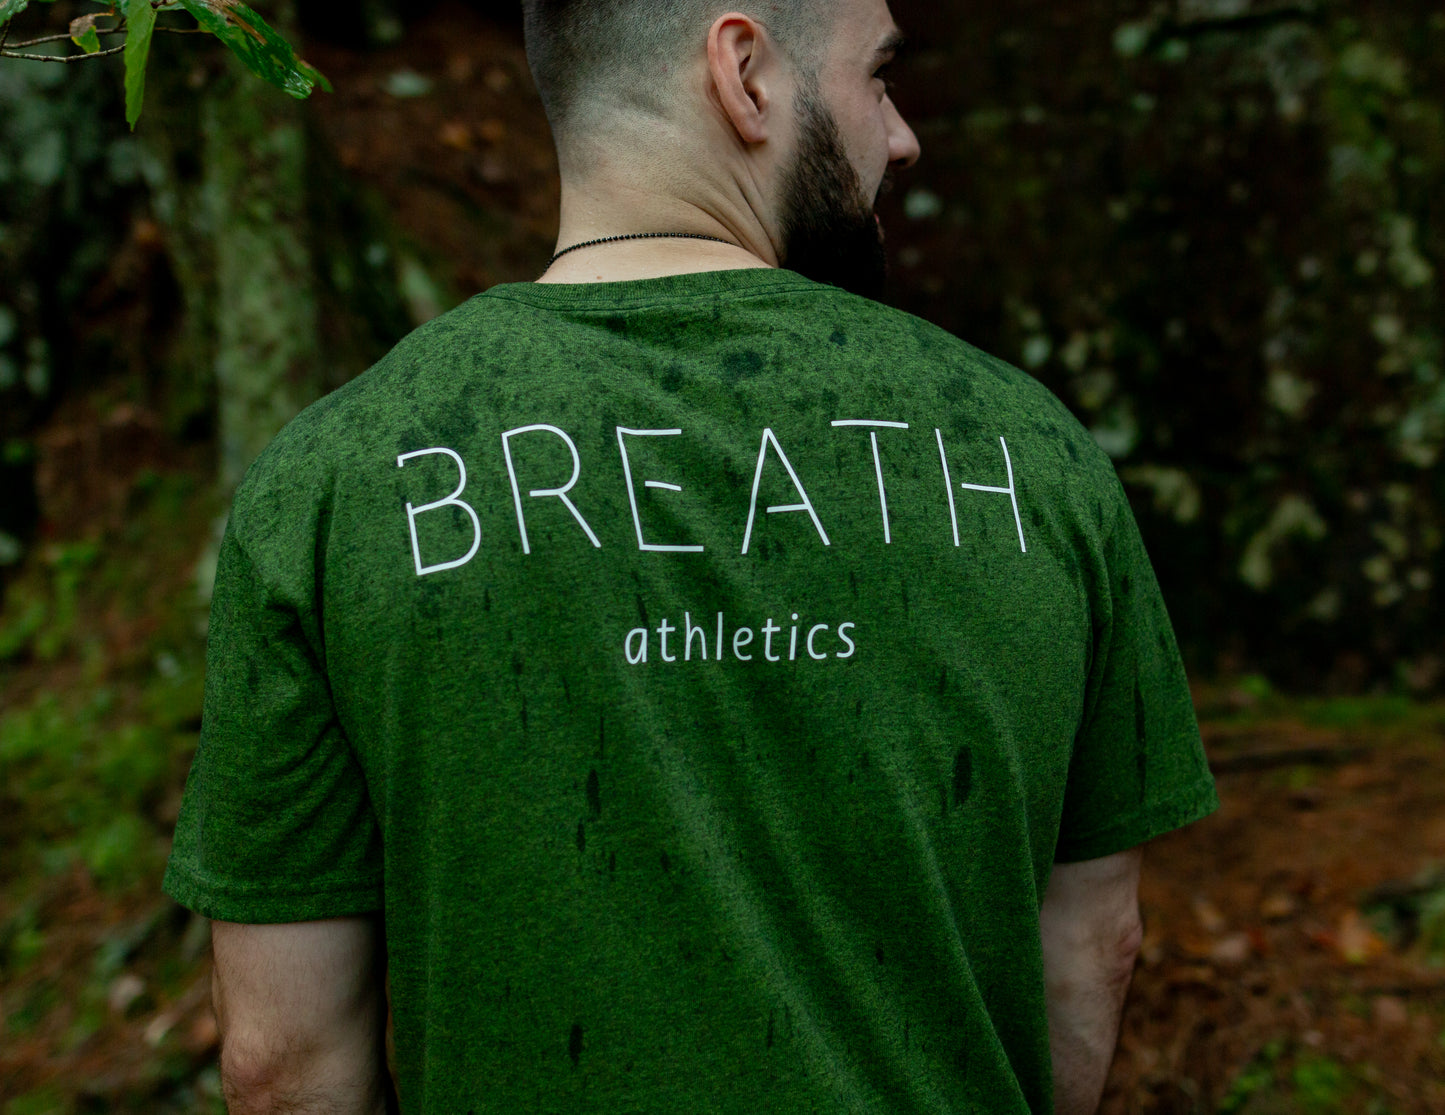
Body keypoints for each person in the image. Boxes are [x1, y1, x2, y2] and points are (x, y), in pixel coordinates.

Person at [162, 0, 1219, 1111]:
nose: (900, 136)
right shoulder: (1028, 451)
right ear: (743, 70)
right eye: (877, 77)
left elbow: (283, 1065)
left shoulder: (333, 481)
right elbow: (1091, 948)